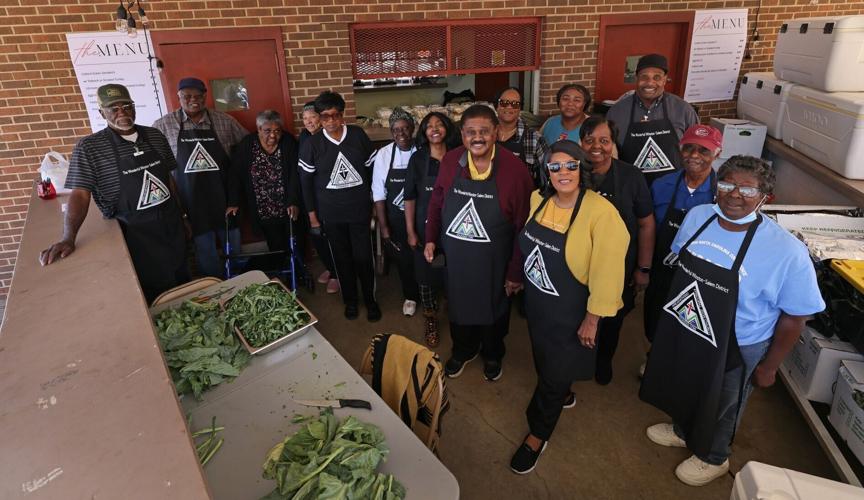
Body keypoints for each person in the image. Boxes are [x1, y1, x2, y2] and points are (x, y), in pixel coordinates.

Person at [640, 156, 825, 486]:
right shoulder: (698, 217)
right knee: (686, 384)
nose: (734, 195)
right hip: (692, 327)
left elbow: (795, 317)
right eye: (726, 185)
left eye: (747, 189)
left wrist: (769, 367)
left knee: (725, 404)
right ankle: (684, 430)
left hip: (739, 344)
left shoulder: (786, 251)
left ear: (765, 196)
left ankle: (715, 456)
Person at [509, 141, 629, 474]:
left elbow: (608, 271)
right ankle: (562, 393)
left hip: (572, 308)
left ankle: (537, 432)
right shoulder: (538, 199)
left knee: (553, 372)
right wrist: (518, 277)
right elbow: (528, 244)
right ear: (546, 171)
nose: (564, 173)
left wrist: (593, 319)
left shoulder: (601, 213)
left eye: (571, 165)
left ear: (582, 168)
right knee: (545, 359)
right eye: (555, 166)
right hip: (539, 303)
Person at [40, 84, 188, 302]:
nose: (122, 113)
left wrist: (183, 216)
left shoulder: (155, 136)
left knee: (183, 280)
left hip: (170, 223)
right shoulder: (89, 148)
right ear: (102, 113)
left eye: (127, 106)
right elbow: (81, 194)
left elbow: (168, 180)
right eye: (114, 109)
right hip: (134, 234)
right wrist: (68, 238)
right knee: (152, 294)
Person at [424, 104, 534, 381]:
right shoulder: (451, 161)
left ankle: (493, 354)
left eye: (484, 131)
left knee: (495, 314)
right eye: (471, 132)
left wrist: (515, 272)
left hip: (496, 264)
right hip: (458, 261)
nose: (478, 137)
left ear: (496, 133)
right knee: (459, 310)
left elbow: (525, 227)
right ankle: (463, 350)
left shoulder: (515, 171)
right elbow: (437, 202)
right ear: (462, 135)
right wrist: (430, 239)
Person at [580, 116, 655, 385]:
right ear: (581, 143)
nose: (596, 147)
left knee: (612, 320)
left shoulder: (631, 177)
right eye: (589, 140)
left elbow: (646, 224)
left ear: (613, 144)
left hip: (619, 268)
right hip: (578, 267)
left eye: (604, 140)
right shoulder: (571, 173)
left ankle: (603, 360)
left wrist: (643, 268)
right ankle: (581, 361)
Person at [152, 77, 248, 278]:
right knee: (205, 252)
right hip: (190, 203)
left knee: (234, 247)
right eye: (187, 96)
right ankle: (215, 287)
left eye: (198, 95)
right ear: (179, 97)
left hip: (225, 199)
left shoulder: (225, 121)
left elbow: (247, 148)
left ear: (205, 96)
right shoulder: (162, 126)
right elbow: (157, 167)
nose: (193, 100)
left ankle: (243, 282)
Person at [299, 90, 380, 321]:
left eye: (335, 115)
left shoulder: (357, 135)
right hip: (331, 214)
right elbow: (306, 183)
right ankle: (351, 301)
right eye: (325, 117)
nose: (331, 121)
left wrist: (374, 202)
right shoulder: (312, 144)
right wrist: (313, 216)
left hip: (359, 211)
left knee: (364, 258)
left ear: (343, 115)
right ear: (319, 118)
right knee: (342, 259)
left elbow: (373, 171)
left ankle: (370, 300)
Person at [643, 124, 721, 357]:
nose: (694, 155)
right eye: (689, 148)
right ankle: (654, 357)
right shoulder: (661, 185)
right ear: (680, 148)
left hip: (701, 274)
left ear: (717, 153)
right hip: (661, 269)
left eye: (703, 150)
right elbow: (647, 228)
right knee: (656, 316)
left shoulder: (722, 194)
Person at [404, 111, 459, 347]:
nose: (434, 129)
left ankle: (456, 313)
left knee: (453, 271)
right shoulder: (417, 160)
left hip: (455, 226)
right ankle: (430, 317)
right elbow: (409, 197)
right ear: (424, 132)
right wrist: (410, 231)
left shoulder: (459, 157)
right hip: (424, 226)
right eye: (429, 126)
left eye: (439, 124)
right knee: (425, 275)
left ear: (447, 128)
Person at [605, 54, 699, 186]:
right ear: (636, 78)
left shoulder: (683, 110)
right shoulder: (617, 111)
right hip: (630, 187)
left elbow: (697, 150)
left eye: (657, 77)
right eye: (644, 77)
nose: (650, 83)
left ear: (665, 79)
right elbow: (608, 151)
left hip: (673, 188)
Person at [226, 110, 302, 258]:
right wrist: (233, 202)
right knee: (275, 245)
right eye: (267, 131)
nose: (273, 135)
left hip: (288, 206)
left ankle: (297, 273)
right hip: (263, 209)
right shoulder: (247, 144)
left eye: (277, 131)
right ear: (259, 129)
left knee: (295, 241)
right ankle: (283, 273)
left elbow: (295, 174)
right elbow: (235, 175)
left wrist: (294, 201)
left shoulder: (288, 142)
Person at [373, 107, 419, 317]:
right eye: (396, 130)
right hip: (396, 217)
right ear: (391, 133)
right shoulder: (384, 155)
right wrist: (384, 227)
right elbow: (379, 193)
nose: (401, 133)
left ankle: (428, 293)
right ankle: (411, 296)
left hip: (421, 215)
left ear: (413, 128)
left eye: (405, 128)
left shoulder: (422, 151)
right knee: (404, 260)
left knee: (424, 257)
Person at [298, 100, 338, 294]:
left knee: (330, 236)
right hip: (309, 196)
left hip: (325, 196)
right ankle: (331, 268)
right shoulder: (304, 138)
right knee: (317, 235)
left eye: (313, 117)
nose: (309, 121)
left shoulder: (326, 139)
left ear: (321, 119)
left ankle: (339, 273)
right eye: (305, 118)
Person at [495, 86, 548, 190]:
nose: (509, 107)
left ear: (520, 109)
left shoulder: (534, 139)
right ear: (497, 106)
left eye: (515, 104)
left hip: (522, 199)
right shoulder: (485, 134)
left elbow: (545, 176)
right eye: (504, 103)